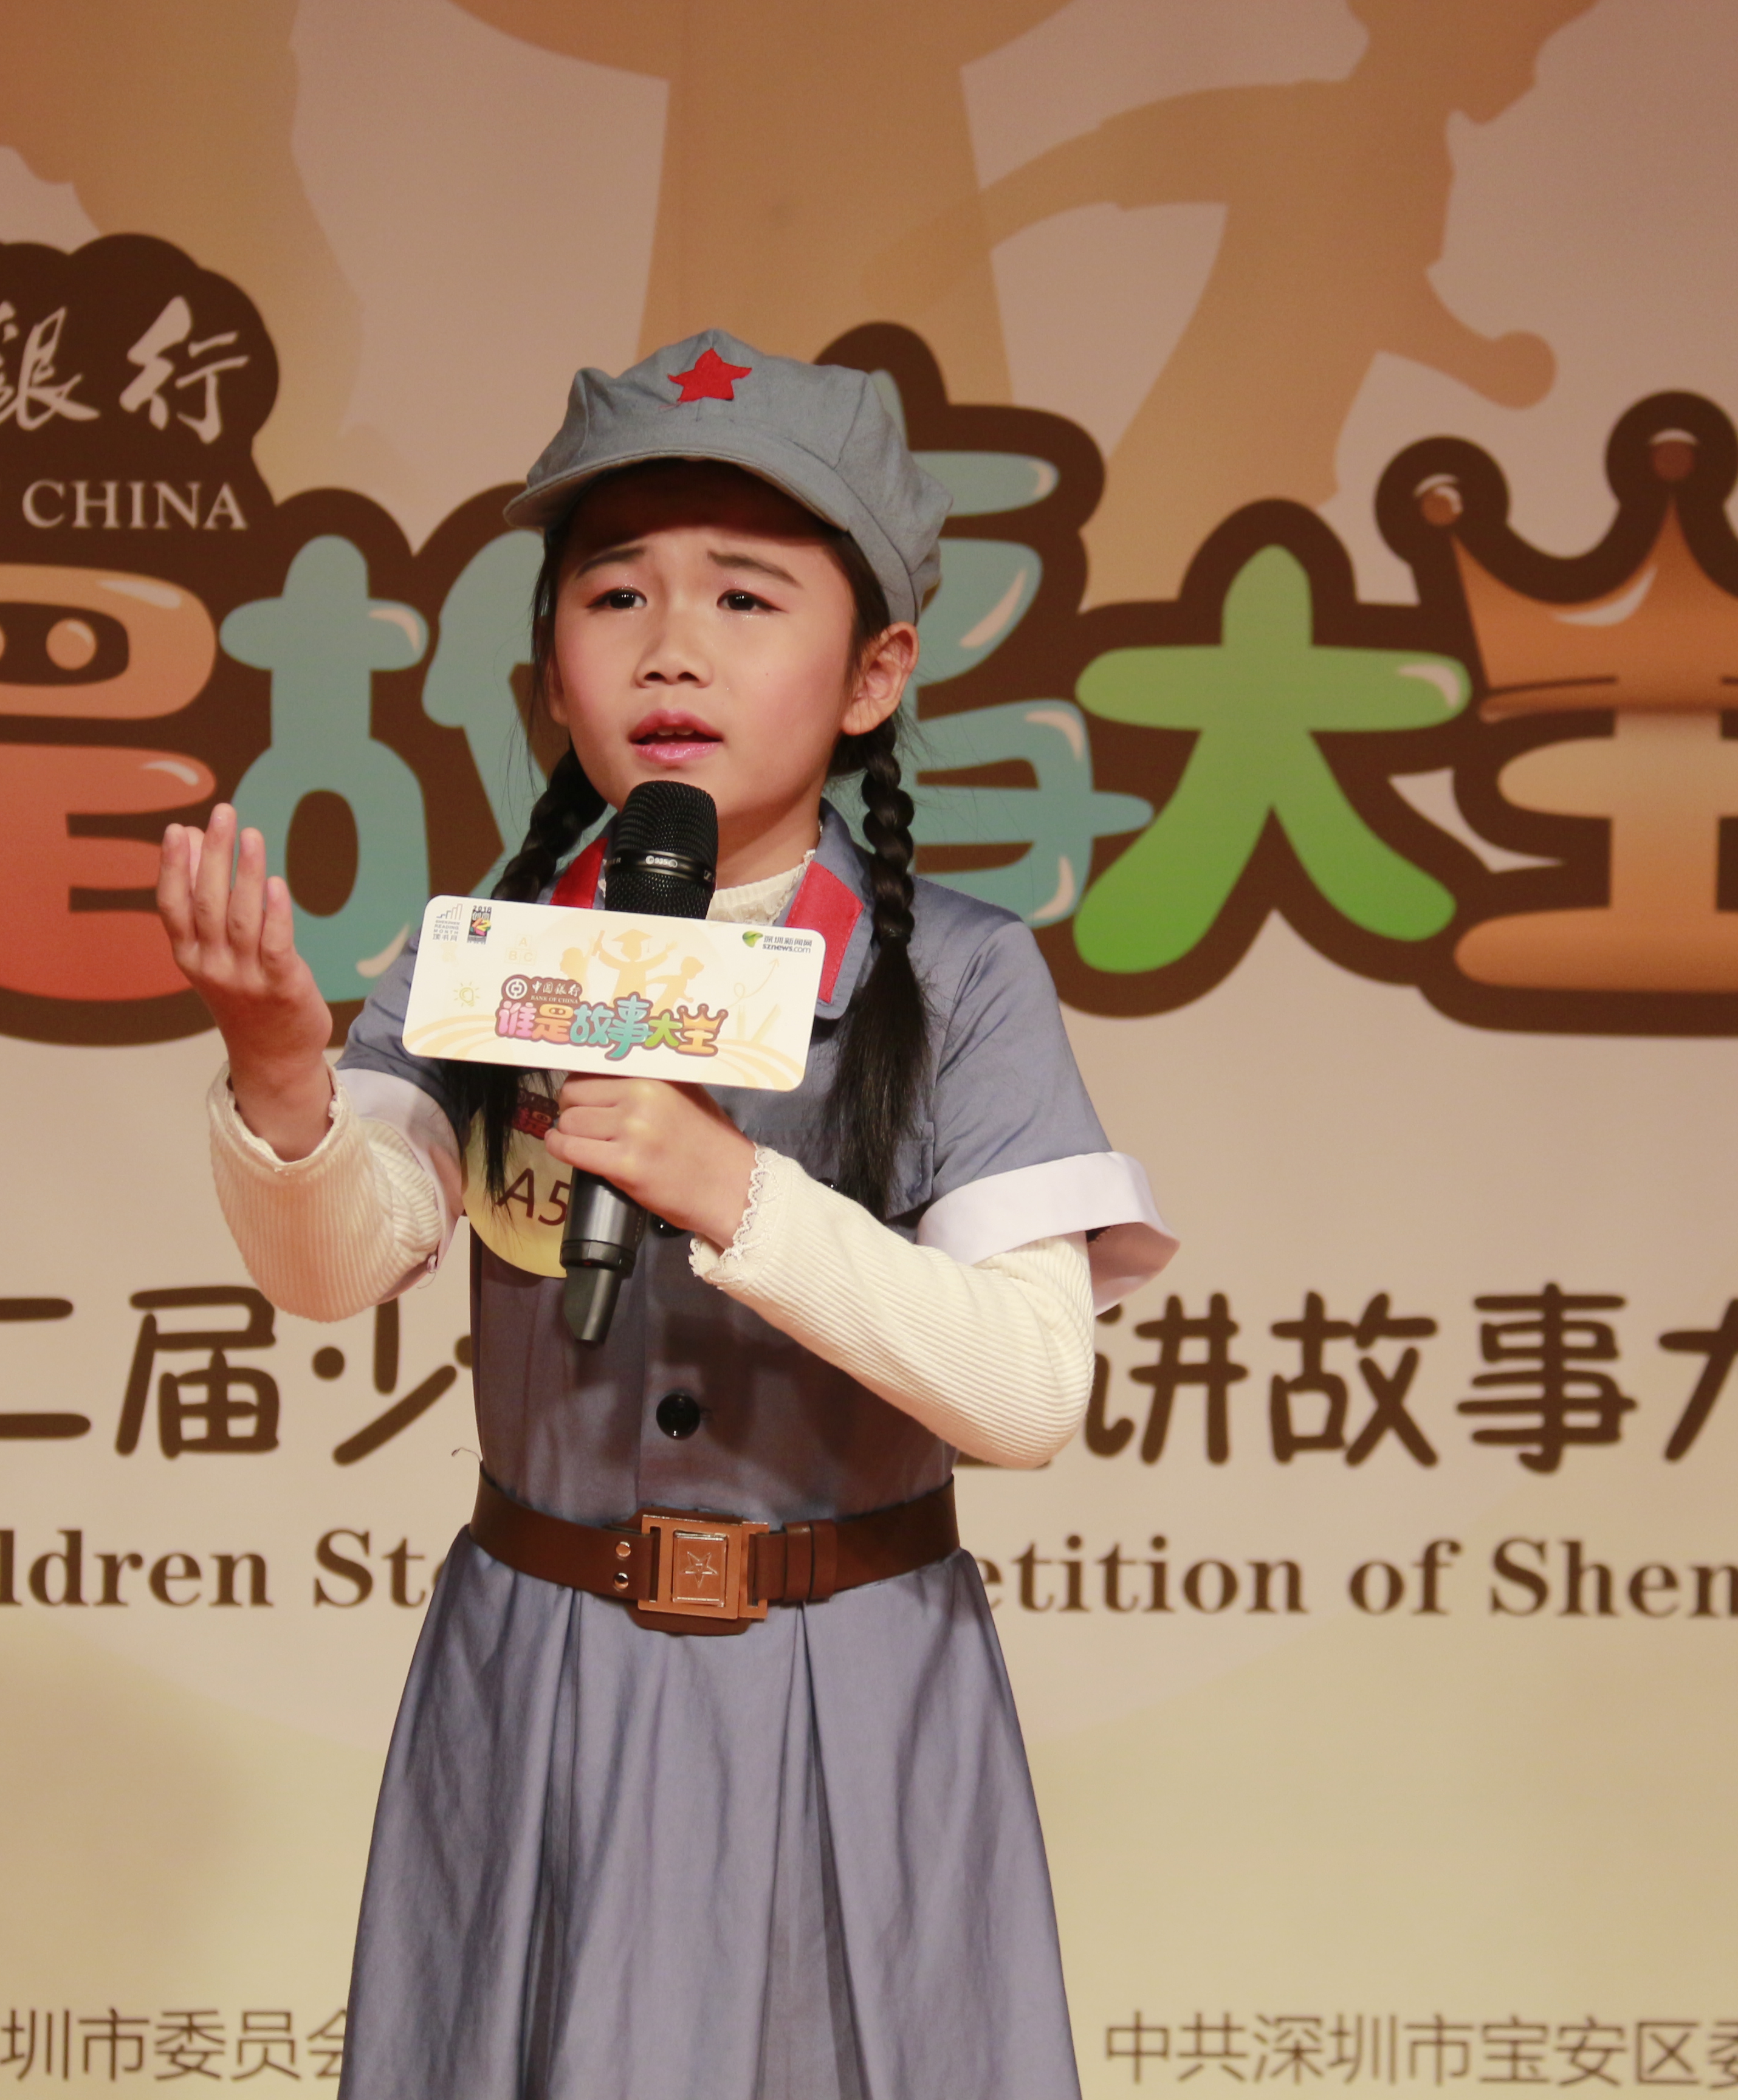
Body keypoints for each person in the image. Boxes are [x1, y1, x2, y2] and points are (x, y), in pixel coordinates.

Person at [154, 330, 1176, 2099]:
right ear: (550, 670)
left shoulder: (962, 978)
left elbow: (1027, 1391)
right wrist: (277, 1072)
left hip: (854, 1686)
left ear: (875, 673)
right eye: (615, 593)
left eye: (746, 598)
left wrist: (732, 1190)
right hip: (539, 1677)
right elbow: (337, 1263)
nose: (672, 647)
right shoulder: (494, 959)